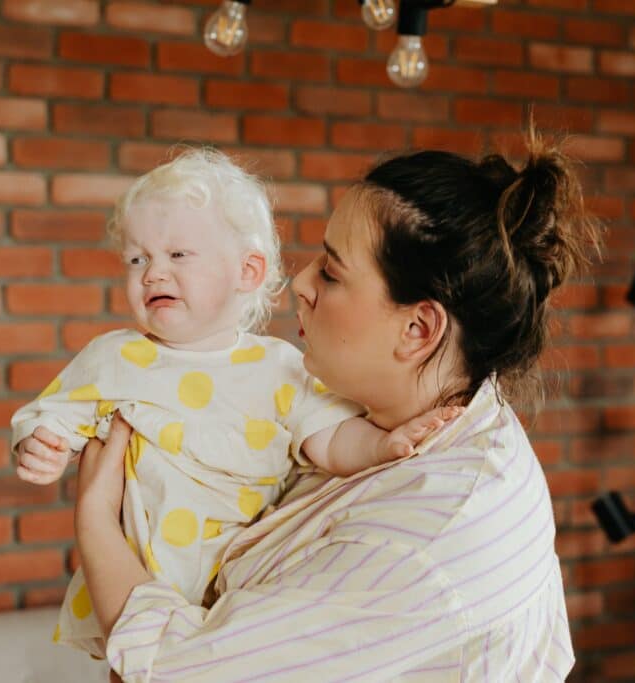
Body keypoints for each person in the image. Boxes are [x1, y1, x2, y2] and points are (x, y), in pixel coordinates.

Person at [76, 125, 603, 681]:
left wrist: (96, 519)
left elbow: (178, 672)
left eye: (331, 271)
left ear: (418, 328)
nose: (300, 282)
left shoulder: (433, 528)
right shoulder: (376, 418)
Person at [10, 148, 457, 658]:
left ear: (247, 271)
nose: (153, 273)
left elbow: (330, 440)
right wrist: (38, 445)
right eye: (137, 259)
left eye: (178, 255)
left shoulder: (281, 369)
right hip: (133, 582)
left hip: (234, 590)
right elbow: (52, 415)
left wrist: (383, 444)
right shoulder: (114, 357)